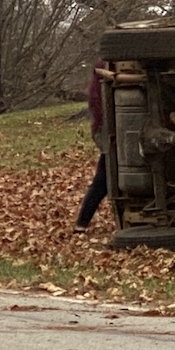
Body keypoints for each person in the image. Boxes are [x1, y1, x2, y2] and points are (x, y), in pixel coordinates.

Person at [74, 61, 109, 233]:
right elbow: (96, 103)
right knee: (105, 176)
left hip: (112, 127)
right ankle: (81, 222)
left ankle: (82, 222)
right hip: (106, 129)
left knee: (106, 176)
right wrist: (106, 128)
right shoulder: (104, 66)